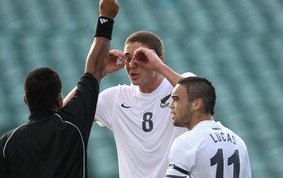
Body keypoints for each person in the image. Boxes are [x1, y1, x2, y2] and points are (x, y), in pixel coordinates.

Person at [0, 0, 119, 178]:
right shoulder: (72, 125)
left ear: (26, 100)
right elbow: (94, 69)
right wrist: (106, 18)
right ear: (59, 99)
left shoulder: (8, 142)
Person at [64, 31, 194, 177]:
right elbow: (64, 115)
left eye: (141, 58)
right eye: (128, 58)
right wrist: (97, 74)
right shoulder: (116, 98)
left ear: (159, 59)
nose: (132, 64)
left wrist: (159, 66)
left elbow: (200, 96)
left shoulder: (181, 85)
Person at [166, 76, 252, 178]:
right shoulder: (238, 142)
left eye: (176, 99)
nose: (170, 105)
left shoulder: (186, 142)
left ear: (197, 104)